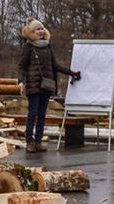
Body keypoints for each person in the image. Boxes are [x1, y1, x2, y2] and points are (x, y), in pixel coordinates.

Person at [17, 18, 80, 153]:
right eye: (37, 29)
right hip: (33, 85)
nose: (40, 31)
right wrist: (21, 81)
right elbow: (22, 66)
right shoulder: (28, 46)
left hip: (46, 85)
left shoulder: (47, 46)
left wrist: (71, 73)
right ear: (32, 32)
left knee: (42, 114)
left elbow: (55, 66)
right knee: (33, 113)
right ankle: (29, 141)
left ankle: (38, 141)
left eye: (41, 29)